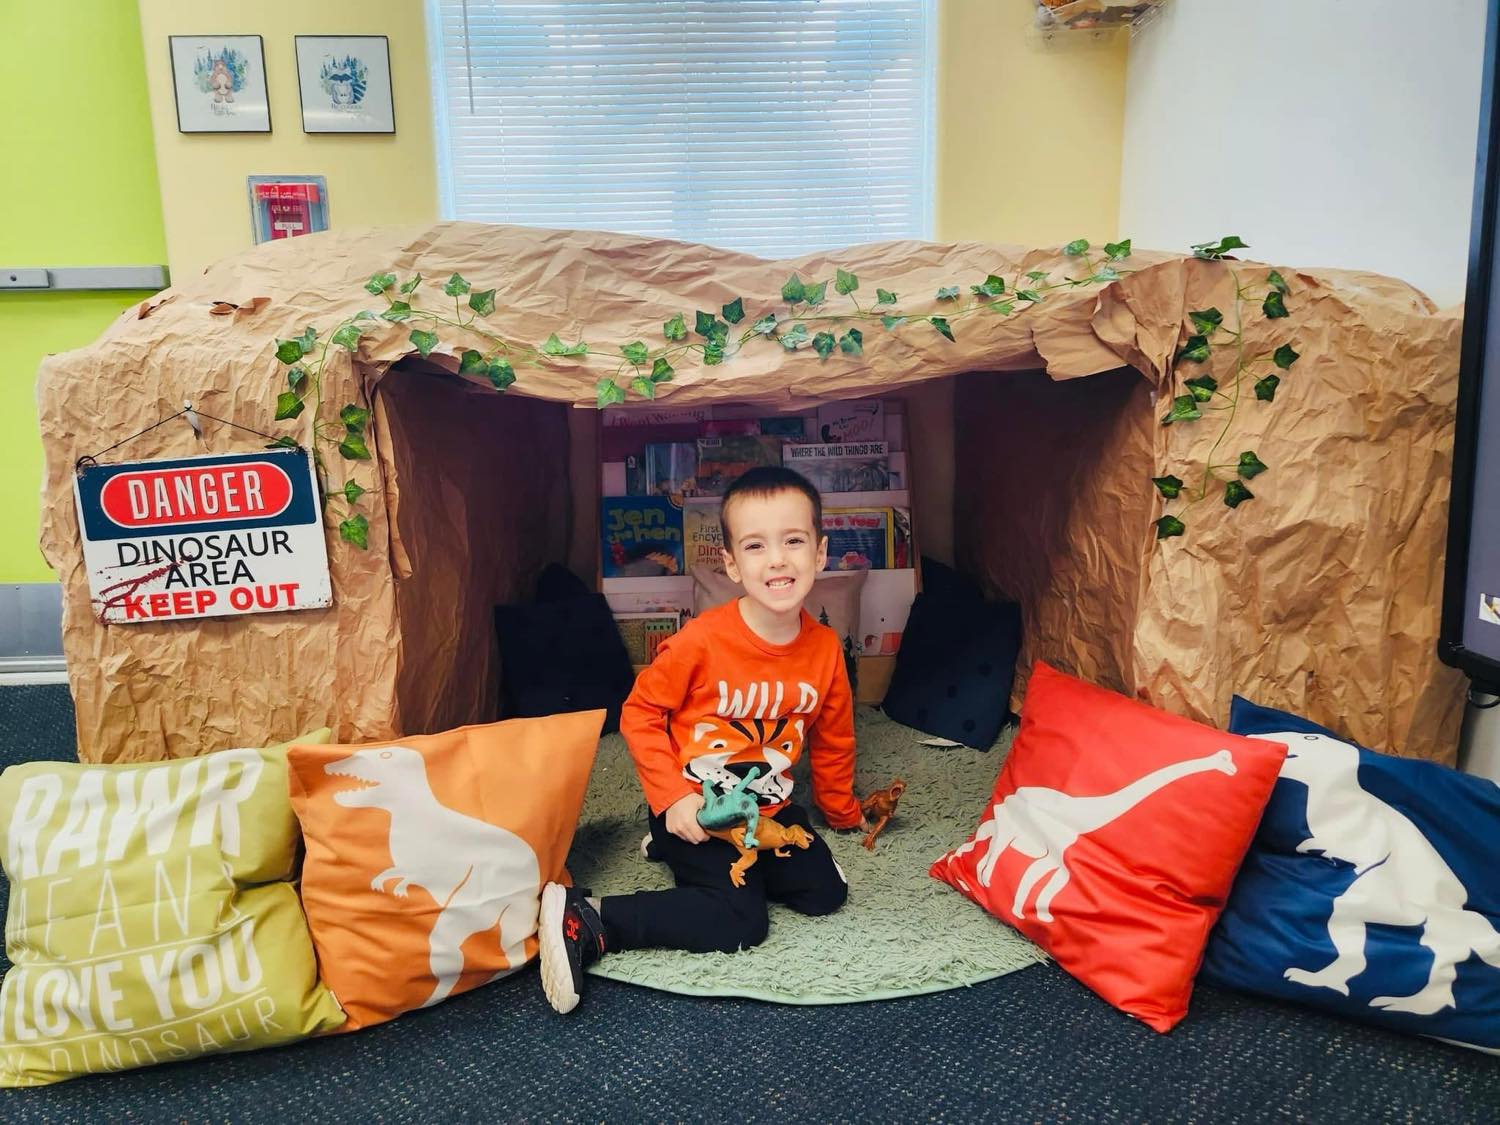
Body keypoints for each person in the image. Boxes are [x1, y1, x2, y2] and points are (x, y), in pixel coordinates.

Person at [537, 466, 867, 1014]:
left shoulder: (827, 647)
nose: (778, 559)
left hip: (766, 806)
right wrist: (673, 800)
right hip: (699, 807)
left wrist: (842, 808)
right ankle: (592, 915)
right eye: (756, 546)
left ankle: (691, 852)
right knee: (741, 921)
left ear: (821, 552)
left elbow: (835, 736)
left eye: (794, 541)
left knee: (826, 894)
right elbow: (638, 713)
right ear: (734, 565)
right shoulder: (701, 643)